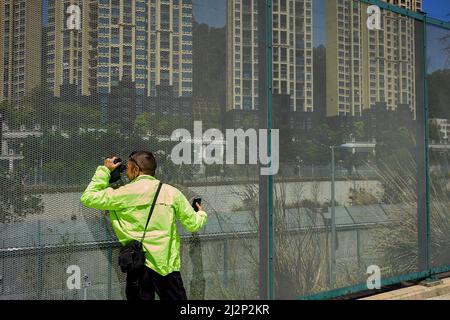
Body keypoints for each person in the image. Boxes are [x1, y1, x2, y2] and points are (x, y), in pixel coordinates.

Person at [80, 151, 207, 300]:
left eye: (127, 168)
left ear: (135, 169)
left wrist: (105, 170)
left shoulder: (122, 194)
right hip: (166, 268)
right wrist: (201, 213)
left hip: (137, 266)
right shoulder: (172, 193)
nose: (126, 173)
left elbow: (88, 197)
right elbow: (193, 225)